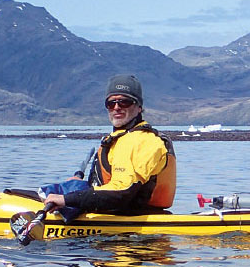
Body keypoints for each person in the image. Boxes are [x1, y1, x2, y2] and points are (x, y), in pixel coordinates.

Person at [41, 74, 176, 215]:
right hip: (114, 213)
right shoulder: (122, 139)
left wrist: (67, 199)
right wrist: (79, 187)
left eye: (124, 102)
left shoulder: (141, 141)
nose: (116, 107)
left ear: (139, 108)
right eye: (111, 104)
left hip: (132, 225)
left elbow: (121, 193)